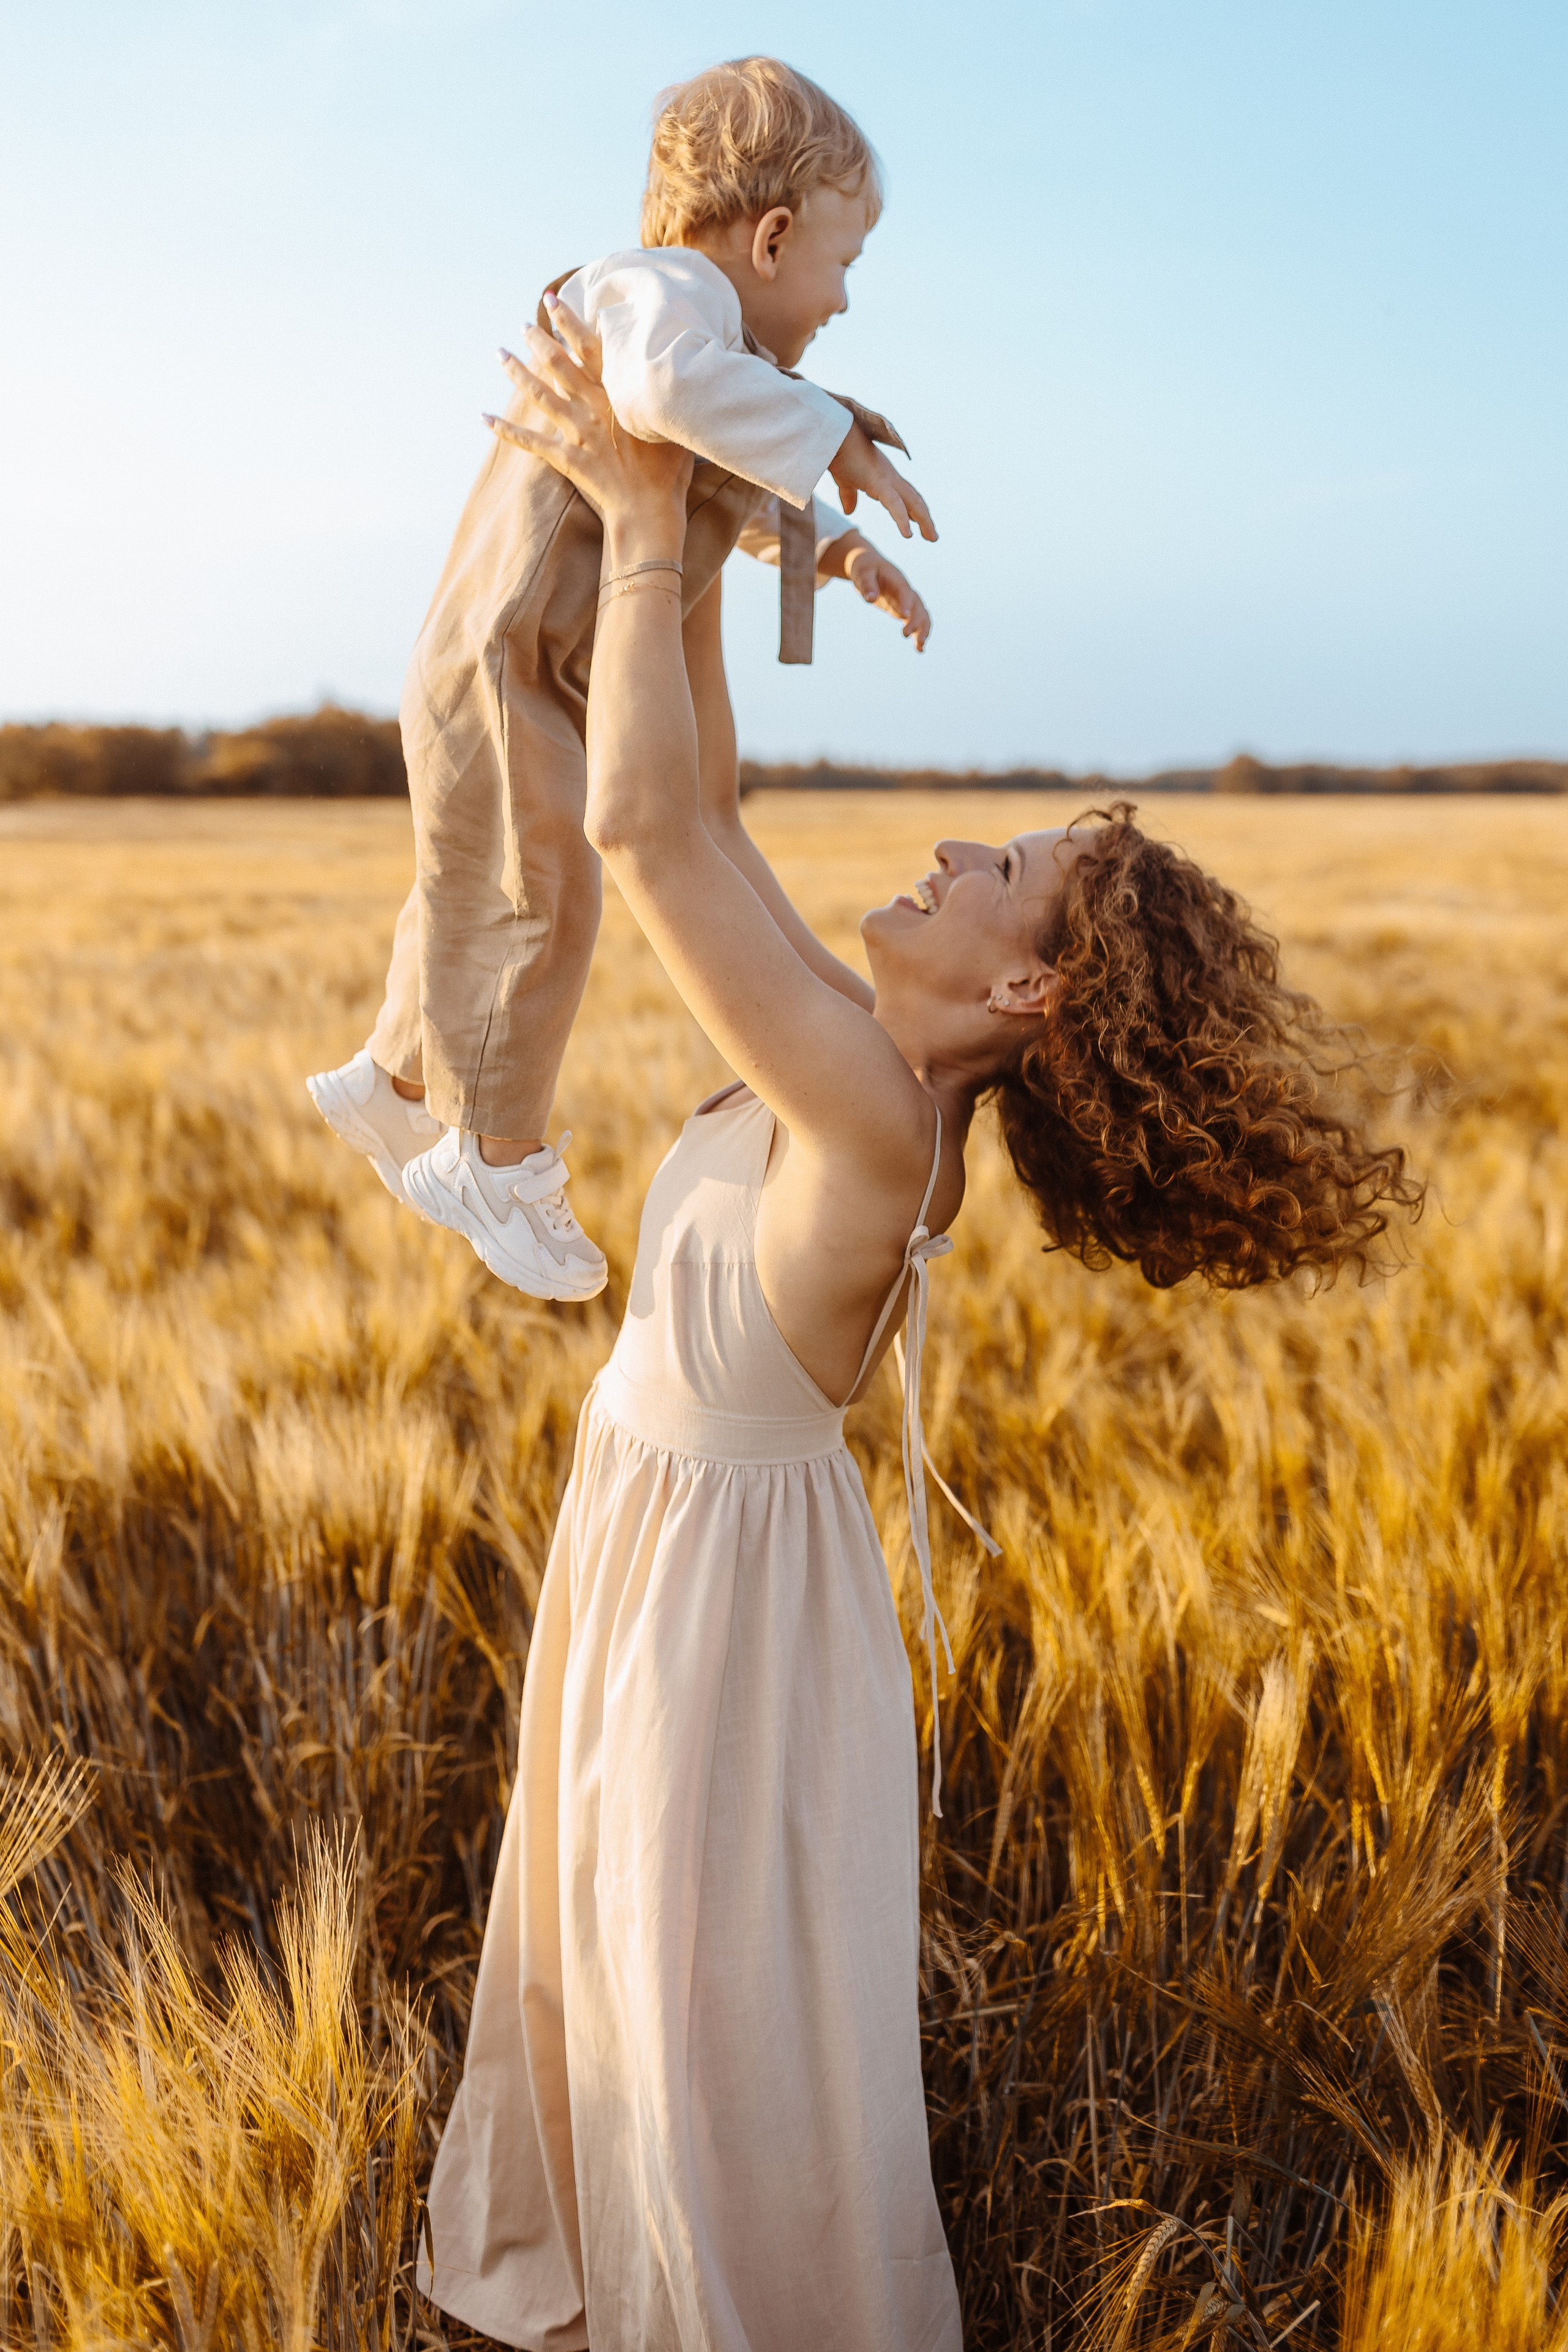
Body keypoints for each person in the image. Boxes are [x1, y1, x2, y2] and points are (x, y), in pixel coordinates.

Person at [414, 312, 1421, 2352]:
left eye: (1007, 871)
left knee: (698, 2056)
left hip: (717, 1634)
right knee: (614, 1998)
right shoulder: (864, 1057)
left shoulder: (874, 1122)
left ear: (1036, 997)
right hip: (666, 1568)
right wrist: (691, 492)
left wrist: (635, 508)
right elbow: (695, 775)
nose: (956, 850)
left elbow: (644, 837)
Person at [306, 56, 935, 1305]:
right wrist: (836, 437)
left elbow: (721, 486)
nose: (846, 303)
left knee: (469, 883)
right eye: (844, 264)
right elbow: (666, 399)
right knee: (541, 895)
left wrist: (839, 549)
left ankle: (389, 1078)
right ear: (769, 235)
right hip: (507, 658)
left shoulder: (703, 350)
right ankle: (493, 1160)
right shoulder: (657, 299)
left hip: (529, 664)